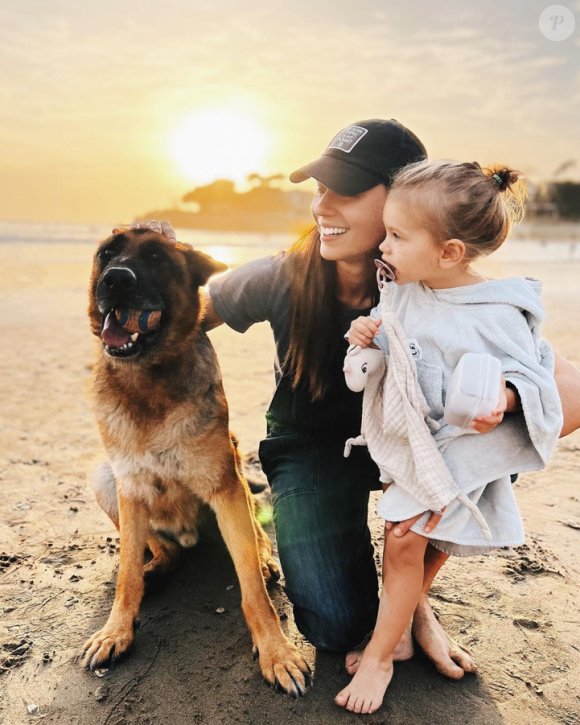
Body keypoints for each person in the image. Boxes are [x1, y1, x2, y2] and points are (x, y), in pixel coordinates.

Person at [130, 119, 580, 682]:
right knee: (334, 626)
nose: (322, 206)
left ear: (402, 200)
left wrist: (504, 402)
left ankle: (416, 602)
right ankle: (297, 516)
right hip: (312, 445)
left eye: (345, 191)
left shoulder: (437, 282)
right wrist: (150, 265)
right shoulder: (281, 275)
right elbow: (181, 318)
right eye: (319, 189)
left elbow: (568, 388)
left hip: (410, 451)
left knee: (499, 441)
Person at [336, 159, 563, 714]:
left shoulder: (496, 311)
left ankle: (380, 658)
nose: (382, 247)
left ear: (450, 252)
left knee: (403, 544)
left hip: (459, 450)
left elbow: (533, 373)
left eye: (396, 235)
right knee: (405, 544)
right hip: (410, 442)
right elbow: (388, 346)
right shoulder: (405, 289)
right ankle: (402, 632)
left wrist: (504, 398)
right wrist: (365, 333)